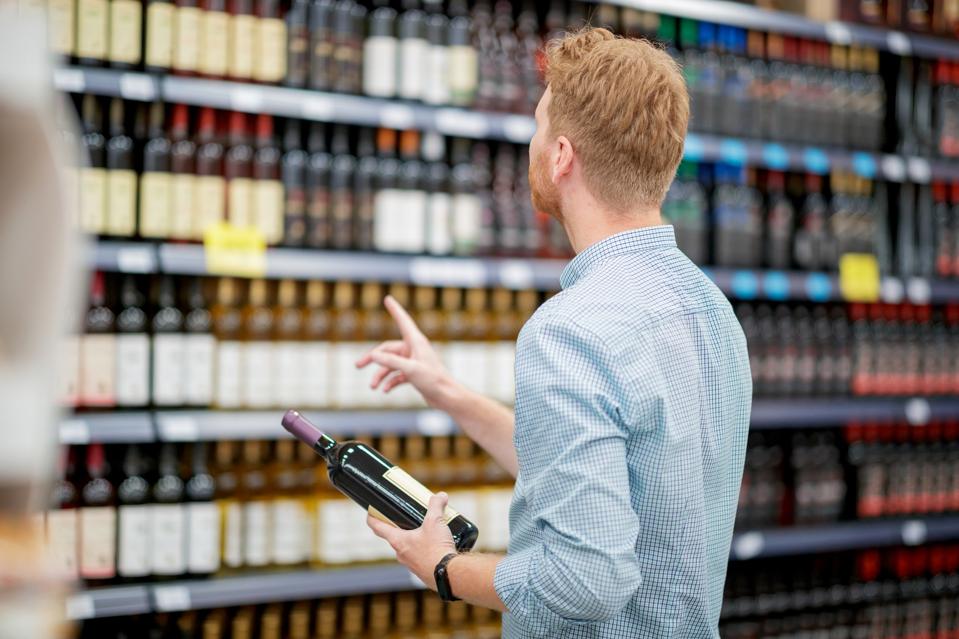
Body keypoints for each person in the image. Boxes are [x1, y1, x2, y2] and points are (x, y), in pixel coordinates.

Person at [357, 26, 751, 638]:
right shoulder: (709, 310)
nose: (534, 142)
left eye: (540, 126)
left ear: (562, 155)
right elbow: (599, 481)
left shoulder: (570, 330)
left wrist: (443, 567)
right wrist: (446, 391)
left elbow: (585, 581)